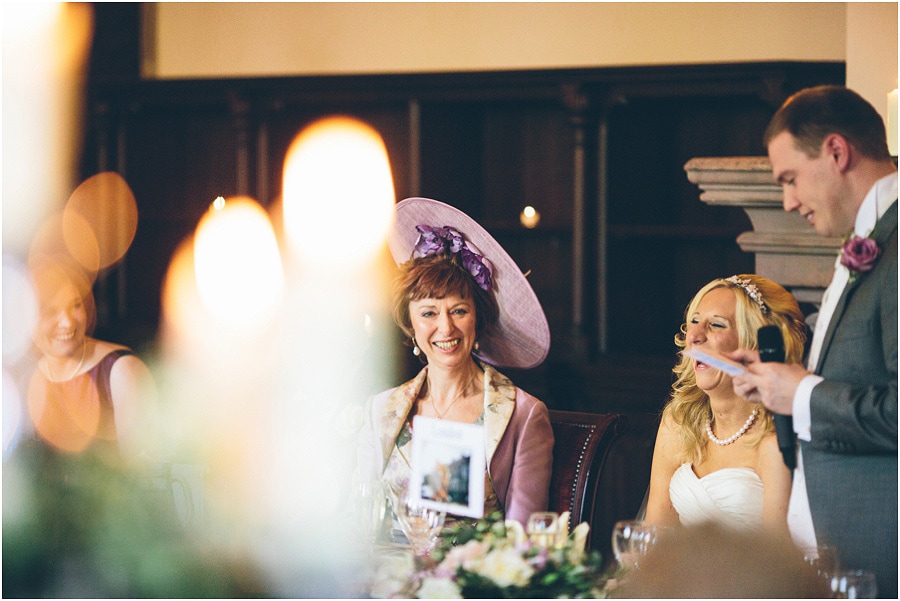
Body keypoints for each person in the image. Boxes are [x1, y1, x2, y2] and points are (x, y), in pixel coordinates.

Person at [731, 85, 897, 598]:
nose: (788, 201)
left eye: (790, 179)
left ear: (836, 151)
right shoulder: (872, 240)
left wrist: (801, 396)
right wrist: (778, 380)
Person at [355, 196, 554, 529]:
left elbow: (524, 542)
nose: (445, 328)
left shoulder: (524, 414)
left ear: (477, 318)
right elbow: (357, 521)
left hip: (476, 577)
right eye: (429, 313)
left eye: (459, 311)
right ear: (410, 324)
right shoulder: (379, 411)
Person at [643, 275, 807, 532]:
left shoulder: (776, 438)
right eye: (694, 322)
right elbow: (653, 536)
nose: (695, 336)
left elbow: (780, 560)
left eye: (716, 325)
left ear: (754, 342)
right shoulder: (678, 422)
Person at [25, 256, 159, 465]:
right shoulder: (21, 378)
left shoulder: (120, 369)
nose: (67, 322)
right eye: (51, 312)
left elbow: (143, 471)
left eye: (75, 305)